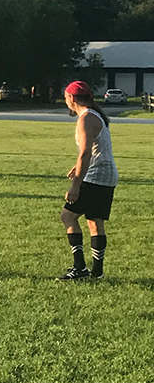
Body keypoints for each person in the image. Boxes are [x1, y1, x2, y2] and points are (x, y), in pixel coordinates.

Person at [57, 80, 118, 280]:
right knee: (94, 220)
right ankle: (97, 272)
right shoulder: (96, 115)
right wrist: (77, 168)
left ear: (72, 98)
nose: (66, 101)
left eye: (66, 97)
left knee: (68, 216)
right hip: (107, 174)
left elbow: (85, 153)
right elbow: (95, 149)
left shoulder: (85, 119)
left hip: (97, 174)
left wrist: (75, 185)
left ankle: (80, 268)